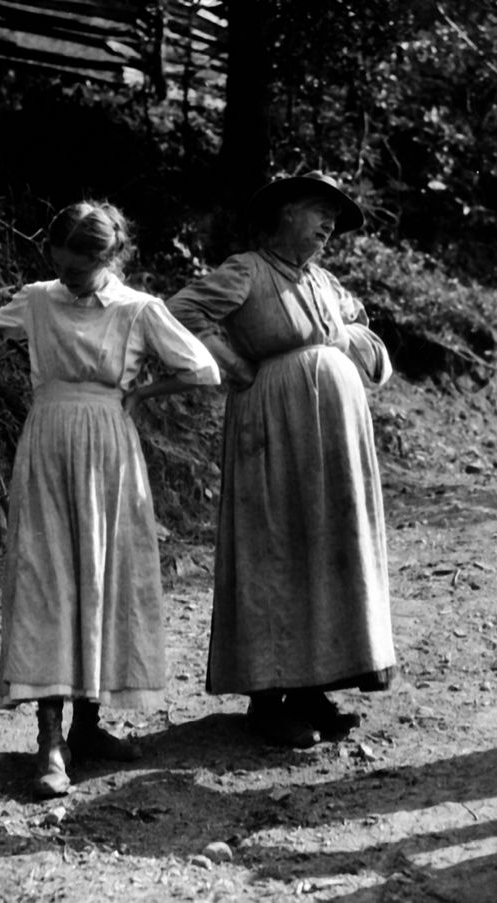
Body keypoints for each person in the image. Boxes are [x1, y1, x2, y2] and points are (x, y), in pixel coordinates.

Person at [0, 201, 220, 798]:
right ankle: (50, 740)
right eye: (60, 264)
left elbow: (202, 369)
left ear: (109, 258)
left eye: (80, 269)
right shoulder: (39, 299)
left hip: (109, 450)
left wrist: (141, 394)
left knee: (101, 577)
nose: (66, 278)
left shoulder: (136, 309)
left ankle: (88, 727)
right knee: (47, 581)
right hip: (47, 444)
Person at [165, 172, 396, 749]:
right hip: (273, 425)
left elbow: (362, 333)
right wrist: (231, 364)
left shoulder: (323, 281)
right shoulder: (246, 270)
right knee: (276, 545)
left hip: (332, 435)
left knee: (326, 543)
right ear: (285, 213)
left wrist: (347, 343)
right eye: (319, 210)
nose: (329, 225)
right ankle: (268, 700)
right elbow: (177, 314)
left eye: (334, 218)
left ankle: (314, 687)